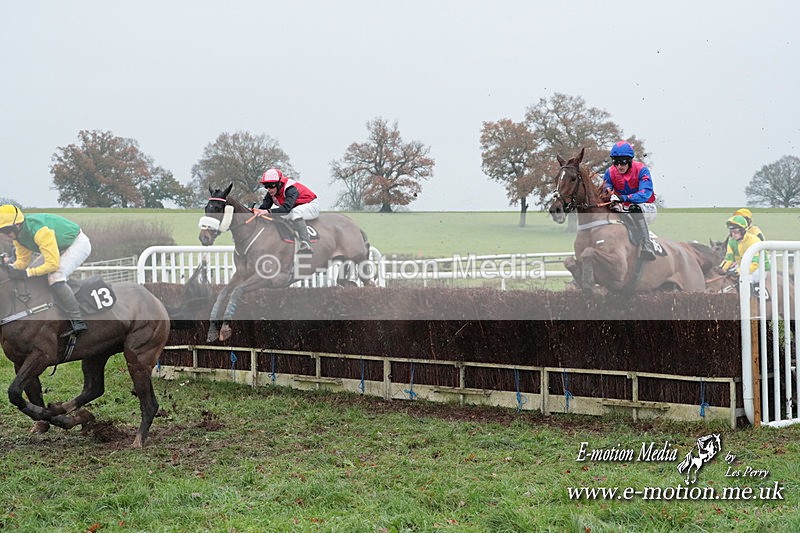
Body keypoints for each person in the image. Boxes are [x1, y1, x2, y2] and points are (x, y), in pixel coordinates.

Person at [0, 205, 92, 336]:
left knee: (55, 277)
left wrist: (26, 273)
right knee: (33, 272)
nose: (6, 235)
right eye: (2, 231)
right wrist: (10, 268)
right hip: (56, 246)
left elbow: (52, 265)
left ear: (18, 225)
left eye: (6, 230)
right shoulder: (18, 237)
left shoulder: (39, 231)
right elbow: (23, 262)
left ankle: (78, 320)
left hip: (76, 243)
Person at [602, 141, 657, 261]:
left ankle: (647, 245)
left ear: (630, 160)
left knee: (634, 208)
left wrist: (624, 198)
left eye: (623, 162)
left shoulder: (642, 170)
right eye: (616, 162)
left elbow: (645, 194)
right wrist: (608, 193)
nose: (619, 166)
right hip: (623, 208)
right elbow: (606, 188)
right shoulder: (610, 173)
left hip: (645, 207)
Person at [252, 168, 319, 253]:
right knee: (277, 215)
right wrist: (254, 211)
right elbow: (264, 208)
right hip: (294, 208)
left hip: (311, 205)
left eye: (271, 185)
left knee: (296, 213)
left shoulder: (290, 189)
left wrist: (268, 211)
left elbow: (286, 209)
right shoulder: (271, 192)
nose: (269, 189)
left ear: (279, 183)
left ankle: (306, 243)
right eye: (266, 186)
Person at [718, 215, 770, 297]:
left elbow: (754, 264)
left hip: (760, 267)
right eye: (731, 231)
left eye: (735, 231)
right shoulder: (732, 242)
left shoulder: (753, 240)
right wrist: (721, 269)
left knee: (745, 277)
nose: (733, 234)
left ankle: (750, 303)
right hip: (744, 265)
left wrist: (737, 271)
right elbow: (728, 260)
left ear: (743, 230)